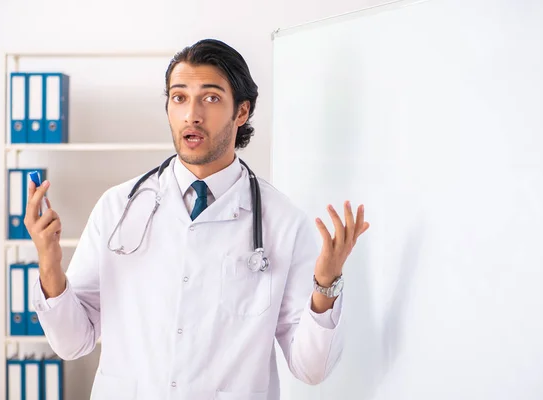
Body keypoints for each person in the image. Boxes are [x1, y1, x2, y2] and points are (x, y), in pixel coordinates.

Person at [24, 38, 370, 400]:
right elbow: (72, 342)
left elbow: (310, 369)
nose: (191, 114)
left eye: (210, 97)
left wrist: (325, 285)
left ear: (241, 112)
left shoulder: (282, 222)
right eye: (179, 98)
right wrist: (49, 264)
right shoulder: (117, 208)